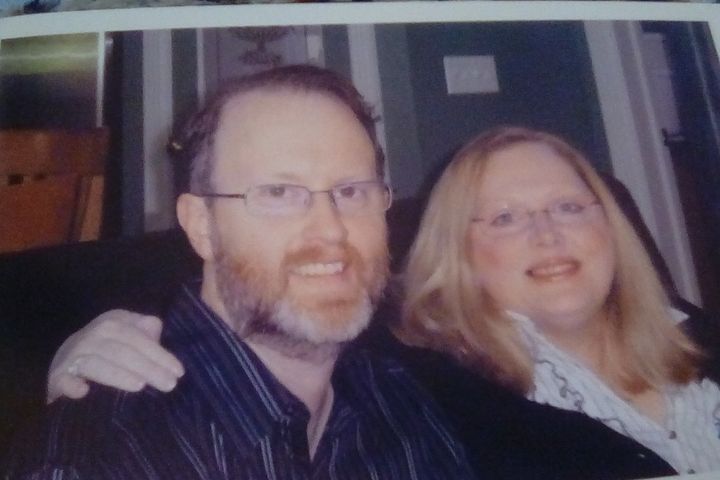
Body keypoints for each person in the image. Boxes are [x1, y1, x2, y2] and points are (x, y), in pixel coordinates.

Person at [38, 126, 720, 478]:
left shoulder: (694, 328)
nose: (548, 233)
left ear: (610, 225)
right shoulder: (429, 374)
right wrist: (90, 335)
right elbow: (273, 287)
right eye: (506, 218)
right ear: (457, 252)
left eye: (570, 206)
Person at [3, 65, 475, 479]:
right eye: (278, 193)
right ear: (202, 227)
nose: (331, 229)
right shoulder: (95, 461)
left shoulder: (400, 404)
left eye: (351, 192)